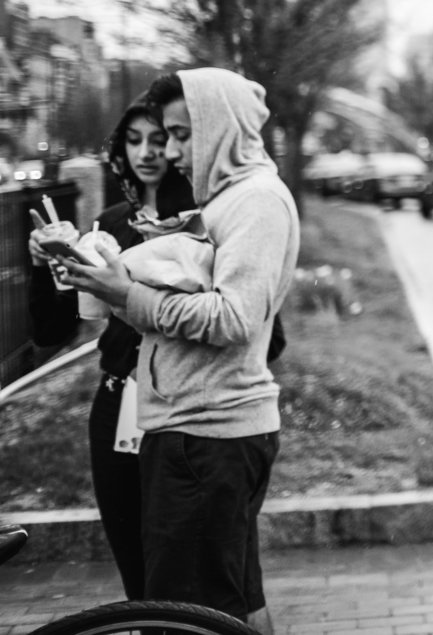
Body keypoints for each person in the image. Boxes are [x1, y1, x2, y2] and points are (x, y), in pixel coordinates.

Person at [59, 69, 299, 633]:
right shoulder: (226, 202)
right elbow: (169, 309)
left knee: (185, 621)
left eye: (183, 134)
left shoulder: (256, 202)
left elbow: (234, 318)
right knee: (232, 609)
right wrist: (102, 281)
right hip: (203, 433)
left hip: (206, 435)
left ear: (223, 127)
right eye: (166, 135)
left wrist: (128, 292)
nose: (169, 150)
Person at [26, 98, 195, 600]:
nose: (146, 152)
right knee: (136, 570)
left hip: (178, 405)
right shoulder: (109, 223)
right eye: (134, 139)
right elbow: (55, 331)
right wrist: (45, 265)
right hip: (115, 405)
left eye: (159, 139)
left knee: (186, 571)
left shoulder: (200, 221)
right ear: (120, 149)